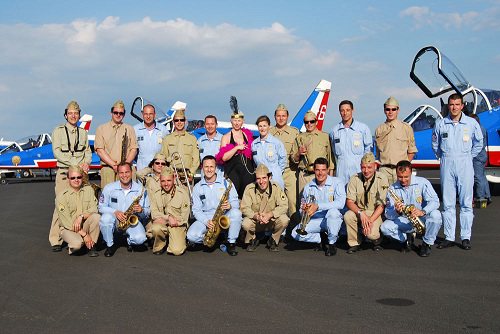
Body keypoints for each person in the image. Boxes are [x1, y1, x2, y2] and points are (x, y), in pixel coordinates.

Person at [432, 93, 483, 250]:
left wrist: (468, 157)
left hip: (465, 163)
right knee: (448, 202)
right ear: (448, 106)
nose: (454, 108)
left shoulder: (471, 124)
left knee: (466, 202)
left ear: (462, 106)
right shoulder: (441, 124)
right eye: (451, 105)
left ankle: (465, 237)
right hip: (447, 162)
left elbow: (479, 143)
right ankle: (449, 236)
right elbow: (435, 144)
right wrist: (445, 157)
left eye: (457, 104)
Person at [49, 100, 93, 252]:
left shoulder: (83, 133)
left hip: (80, 174)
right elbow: (57, 152)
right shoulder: (58, 131)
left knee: (82, 204)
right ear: (66, 115)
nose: (73, 116)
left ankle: (77, 235)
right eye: (70, 113)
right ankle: (56, 239)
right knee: (60, 205)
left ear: (79, 115)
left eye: (76, 113)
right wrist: (76, 163)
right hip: (64, 173)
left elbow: (87, 151)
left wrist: (86, 163)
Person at [380, 160, 442, 257]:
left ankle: (426, 243)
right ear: (396, 174)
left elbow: (435, 201)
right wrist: (396, 211)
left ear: (411, 173)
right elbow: (388, 214)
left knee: (436, 215)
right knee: (385, 228)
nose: (403, 180)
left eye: (406, 177)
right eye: (400, 177)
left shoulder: (422, 182)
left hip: (421, 218)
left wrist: (422, 211)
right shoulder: (392, 189)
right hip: (404, 219)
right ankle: (406, 240)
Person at [187, 155, 241, 256]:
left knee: (236, 213)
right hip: (207, 218)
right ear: (202, 168)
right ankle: (215, 239)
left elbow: (235, 202)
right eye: (206, 167)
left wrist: (230, 206)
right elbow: (196, 210)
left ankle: (231, 242)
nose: (209, 169)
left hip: (223, 216)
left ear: (216, 168)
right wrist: (206, 221)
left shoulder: (226, 183)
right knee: (191, 236)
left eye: (211, 167)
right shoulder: (197, 187)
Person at [291, 157, 346, 256]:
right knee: (295, 233)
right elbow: (302, 208)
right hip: (316, 220)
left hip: (332, 220)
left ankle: (332, 244)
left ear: (328, 170)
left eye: (323, 170)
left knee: (333, 213)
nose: (320, 173)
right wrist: (303, 210)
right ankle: (321, 238)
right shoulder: (308, 187)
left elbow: (341, 203)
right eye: (317, 170)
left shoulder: (337, 182)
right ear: (314, 170)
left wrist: (318, 206)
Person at [98, 162, 150, 257]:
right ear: (117, 174)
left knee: (140, 239)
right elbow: (101, 207)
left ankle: (128, 241)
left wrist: (141, 210)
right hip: (114, 220)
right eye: (121, 173)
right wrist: (115, 212)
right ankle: (110, 245)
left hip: (130, 221)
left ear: (131, 172)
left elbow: (147, 212)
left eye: (127, 172)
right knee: (105, 219)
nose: (124, 175)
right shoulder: (109, 188)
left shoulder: (140, 189)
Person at [344, 152, 389, 254]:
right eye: (363, 167)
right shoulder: (354, 178)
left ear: (375, 166)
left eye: (369, 167)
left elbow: (381, 205)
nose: (366, 170)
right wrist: (361, 213)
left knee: (372, 235)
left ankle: (379, 239)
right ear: (360, 167)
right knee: (348, 215)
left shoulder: (382, 178)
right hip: (360, 211)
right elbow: (349, 202)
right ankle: (354, 243)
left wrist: (369, 221)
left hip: (375, 213)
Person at [241, 164, 289, 252]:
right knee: (245, 223)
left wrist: (270, 214)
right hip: (256, 221)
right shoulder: (249, 188)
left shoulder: (276, 187)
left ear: (269, 177)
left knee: (284, 219)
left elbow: (284, 206)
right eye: (258, 178)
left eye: (264, 178)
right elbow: (244, 208)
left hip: (270, 220)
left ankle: (273, 240)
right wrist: (256, 216)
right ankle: (253, 239)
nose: (261, 181)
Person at [56, 165, 100, 257]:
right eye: (73, 178)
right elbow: (67, 222)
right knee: (77, 245)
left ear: (82, 177)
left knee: (96, 217)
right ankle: (82, 243)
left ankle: (91, 246)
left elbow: (94, 209)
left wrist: (81, 217)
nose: (76, 180)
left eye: (79, 177)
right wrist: (84, 235)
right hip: (68, 229)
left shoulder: (88, 190)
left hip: (84, 224)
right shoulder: (62, 196)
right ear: (68, 179)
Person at [95, 100, 138, 188]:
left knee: (130, 195)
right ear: (111, 113)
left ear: (124, 114)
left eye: (121, 113)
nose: (118, 115)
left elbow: (134, 149)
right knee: (108, 196)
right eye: (116, 112)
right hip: (108, 168)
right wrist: (114, 165)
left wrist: (125, 165)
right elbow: (100, 150)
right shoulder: (101, 129)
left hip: (126, 168)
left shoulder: (129, 129)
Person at [290, 111, 335, 197]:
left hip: (321, 176)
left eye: (312, 121)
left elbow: (330, 160)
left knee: (322, 202)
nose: (309, 124)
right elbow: (293, 159)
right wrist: (299, 153)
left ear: (316, 122)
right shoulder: (299, 138)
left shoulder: (325, 137)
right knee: (304, 205)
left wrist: (330, 179)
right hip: (304, 176)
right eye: (306, 122)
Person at [375, 96, 418, 184]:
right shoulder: (379, 129)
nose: (390, 112)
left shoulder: (406, 128)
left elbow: (411, 150)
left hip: (400, 171)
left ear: (398, 110)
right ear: (384, 110)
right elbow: (378, 152)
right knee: (383, 197)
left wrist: (404, 167)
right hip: (384, 170)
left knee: (401, 196)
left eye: (393, 109)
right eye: (387, 109)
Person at [329, 100, 372, 185]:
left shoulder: (363, 129)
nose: (345, 113)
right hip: (341, 173)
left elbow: (368, 151)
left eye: (348, 110)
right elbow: (333, 153)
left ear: (353, 110)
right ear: (339, 112)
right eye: (342, 110)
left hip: (358, 171)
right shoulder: (334, 131)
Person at [149, 168, 191, 255]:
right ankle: (160, 245)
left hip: (177, 225)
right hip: (163, 224)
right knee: (156, 228)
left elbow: (184, 218)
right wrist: (168, 218)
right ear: (160, 181)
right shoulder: (156, 194)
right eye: (163, 181)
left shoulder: (182, 193)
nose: (166, 184)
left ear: (174, 179)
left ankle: (178, 240)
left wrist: (171, 220)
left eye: (169, 180)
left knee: (176, 251)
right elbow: (154, 213)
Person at [216, 109, 255, 199]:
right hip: (233, 175)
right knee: (233, 200)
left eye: (239, 121)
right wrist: (236, 148)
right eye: (235, 120)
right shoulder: (226, 137)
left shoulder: (247, 135)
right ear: (231, 121)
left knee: (248, 201)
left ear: (243, 122)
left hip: (248, 174)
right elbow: (224, 157)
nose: (237, 123)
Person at [269, 103, 300, 216]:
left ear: (287, 117)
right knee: (273, 200)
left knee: (292, 201)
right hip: (273, 171)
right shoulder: (269, 133)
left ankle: (293, 227)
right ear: (275, 117)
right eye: (278, 116)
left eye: (283, 116)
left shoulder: (294, 133)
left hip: (289, 171)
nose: (281, 118)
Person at [160, 109, 200, 186]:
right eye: (176, 120)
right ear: (173, 122)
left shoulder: (192, 139)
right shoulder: (167, 139)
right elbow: (163, 158)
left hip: (187, 176)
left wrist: (191, 174)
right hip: (172, 176)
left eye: (181, 120)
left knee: (187, 198)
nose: (179, 122)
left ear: (185, 121)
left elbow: (196, 159)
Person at [251, 115, 287, 189]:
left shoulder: (276, 143)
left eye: (264, 125)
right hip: (261, 181)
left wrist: (277, 172)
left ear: (269, 126)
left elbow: (283, 160)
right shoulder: (254, 144)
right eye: (260, 126)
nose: (262, 128)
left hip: (275, 179)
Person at [133, 104, 169, 170]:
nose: (148, 116)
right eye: (146, 114)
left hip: (159, 171)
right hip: (142, 171)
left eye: (151, 114)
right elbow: (132, 150)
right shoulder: (135, 130)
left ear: (155, 115)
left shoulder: (163, 130)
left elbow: (168, 150)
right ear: (142, 115)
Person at [470, 114, 491, 206]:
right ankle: (487, 196)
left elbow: (476, 145)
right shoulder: (482, 128)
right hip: (483, 155)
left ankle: (480, 197)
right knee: (482, 176)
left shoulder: (477, 130)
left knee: (478, 177)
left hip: (477, 156)